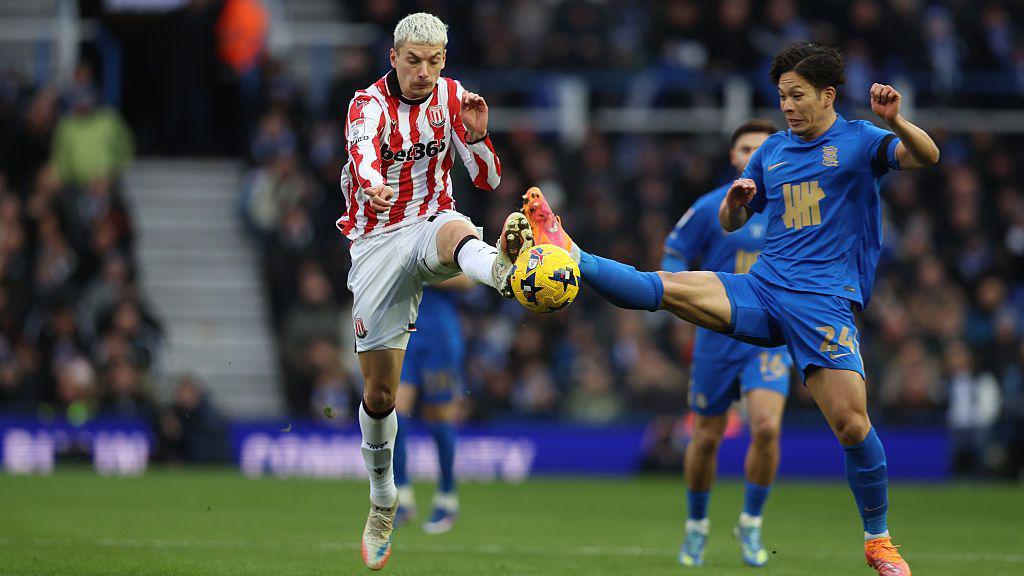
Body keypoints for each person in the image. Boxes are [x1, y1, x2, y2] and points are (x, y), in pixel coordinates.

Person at [520, 42, 939, 576]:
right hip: (761, 288)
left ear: (828, 95)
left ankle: (877, 540)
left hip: (822, 305)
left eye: (797, 95)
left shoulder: (860, 140)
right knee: (667, 287)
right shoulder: (773, 153)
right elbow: (730, 225)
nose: (787, 106)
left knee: (853, 426)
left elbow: (928, 157)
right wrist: (734, 204)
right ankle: (571, 253)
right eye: (782, 95)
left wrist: (898, 120)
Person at [340, 12, 533, 571]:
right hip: (375, 244)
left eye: (434, 61)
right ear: (394, 57)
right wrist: (374, 187)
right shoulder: (366, 106)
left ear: (443, 60)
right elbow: (364, 157)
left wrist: (476, 136)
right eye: (413, 60)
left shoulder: (454, 98)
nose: (424, 71)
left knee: (456, 229)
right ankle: (383, 499)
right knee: (380, 397)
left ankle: (503, 272)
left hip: (429, 223)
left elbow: (490, 180)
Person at [664, 119, 793, 568]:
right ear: (735, 157)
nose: (751, 154)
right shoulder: (709, 208)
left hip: (770, 334)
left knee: (767, 428)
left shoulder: (791, 205)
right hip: (717, 335)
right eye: (744, 148)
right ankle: (697, 525)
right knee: (705, 437)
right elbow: (674, 253)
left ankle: (751, 523)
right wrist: (679, 298)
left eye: (761, 147)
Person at [393, 275, 474, 534]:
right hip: (404, 330)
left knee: (439, 419)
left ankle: (447, 497)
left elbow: (468, 280)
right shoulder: (393, 232)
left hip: (439, 335)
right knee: (393, 415)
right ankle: (402, 497)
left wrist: (419, 272)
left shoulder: (449, 233)